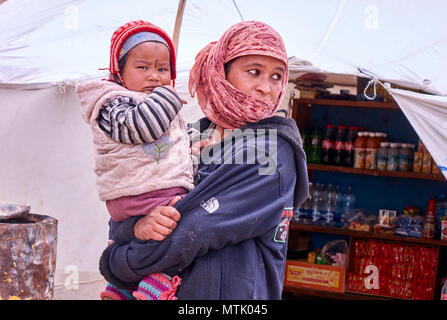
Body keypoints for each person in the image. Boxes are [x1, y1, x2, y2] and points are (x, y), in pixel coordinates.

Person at [99, 20, 309, 300]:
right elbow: (129, 198)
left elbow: (194, 230)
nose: (266, 88)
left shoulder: (273, 151)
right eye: (254, 72)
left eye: (276, 76)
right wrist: (137, 225)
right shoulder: (183, 136)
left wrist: (118, 261)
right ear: (221, 73)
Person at [76, 20, 197, 300]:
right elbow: (144, 127)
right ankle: (156, 285)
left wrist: (194, 142)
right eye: (143, 67)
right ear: (120, 72)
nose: (154, 76)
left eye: (162, 69)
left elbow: (171, 137)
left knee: (158, 231)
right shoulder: (111, 102)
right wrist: (168, 94)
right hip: (142, 193)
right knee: (184, 225)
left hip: (147, 192)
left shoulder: (153, 103)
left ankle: (120, 287)